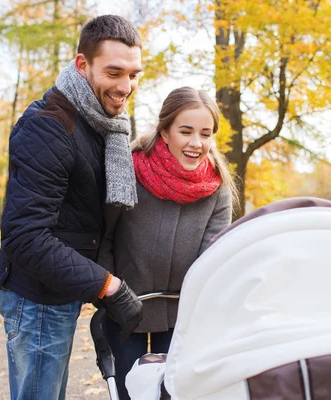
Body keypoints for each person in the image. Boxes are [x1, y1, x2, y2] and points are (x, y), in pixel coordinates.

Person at [0, 15, 144, 400]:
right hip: (36, 296)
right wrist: (106, 285)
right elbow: (25, 237)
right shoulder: (48, 126)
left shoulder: (100, 123)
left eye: (133, 74)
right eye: (114, 72)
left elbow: (80, 218)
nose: (125, 87)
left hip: (59, 290)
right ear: (82, 65)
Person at [98, 86, 238, 399]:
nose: (196, 143)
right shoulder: (130, 171)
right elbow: (105, 237)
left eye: (205, 133)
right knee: (127, 391)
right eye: (185, 131)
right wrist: (109, 289)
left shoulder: (216, 187)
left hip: (181, 313)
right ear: (165, 132)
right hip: (124, 304)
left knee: (174, 392)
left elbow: (212, 257)